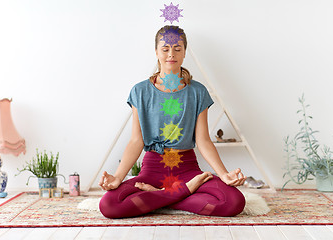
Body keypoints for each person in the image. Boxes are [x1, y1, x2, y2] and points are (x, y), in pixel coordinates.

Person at [99, 25, 247, 218]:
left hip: (187, 169)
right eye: (165, 48)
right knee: (109, 205)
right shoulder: (140, 91)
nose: (171, 54)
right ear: (156, 51)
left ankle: (159, 197)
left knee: (234, 202)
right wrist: (117, 177)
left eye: (177, 48)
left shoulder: (197, 92)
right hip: (152, 170)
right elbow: (136, 141)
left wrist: (224, 174)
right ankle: (182, 193)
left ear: (184, 52)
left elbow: (202, 140)